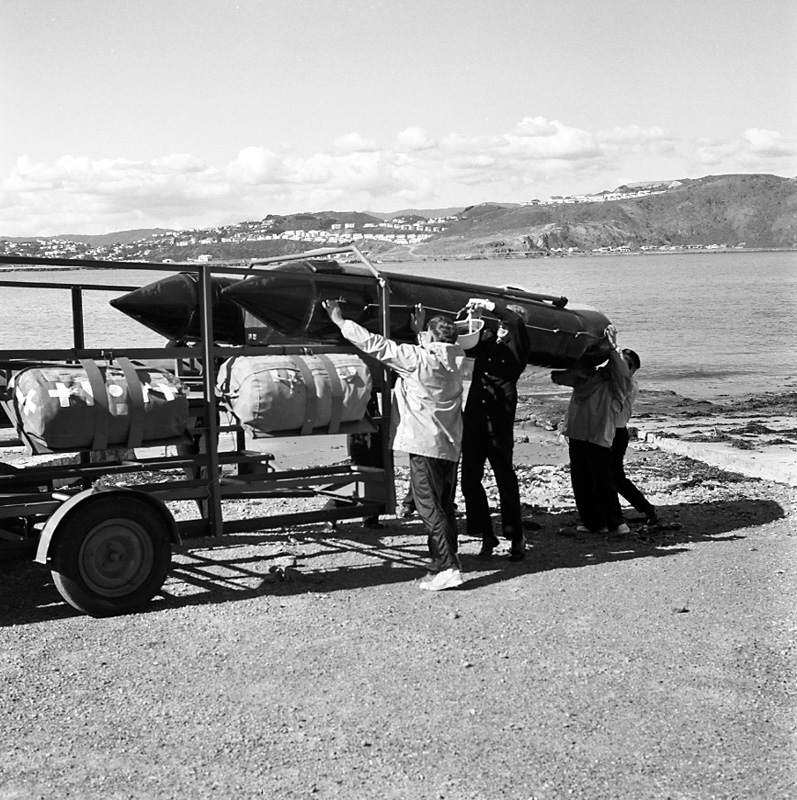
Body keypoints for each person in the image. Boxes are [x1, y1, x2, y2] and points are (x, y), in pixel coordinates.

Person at [323, 299, 467, 591]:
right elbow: (431, 351)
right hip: (450, 445)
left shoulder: (417, 360)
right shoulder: (456, 361)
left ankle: (448, 567)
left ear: (432, 337)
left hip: (424, 444)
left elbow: (377, 345)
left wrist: (340, 321)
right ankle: (443, 563)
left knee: (429, 508)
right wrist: (420, 332)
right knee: (444, 506)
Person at [459, 298, 531, 561]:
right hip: (475, 422)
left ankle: (516, 537)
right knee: (469, 480)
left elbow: (514, 321)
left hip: (498, 426)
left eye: (505, 323)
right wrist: (472, 314)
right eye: (500, 323)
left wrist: (490, 306)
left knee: (505, 479)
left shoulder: (520, 348)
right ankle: (485, 533)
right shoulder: (489, 339)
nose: (502, 326)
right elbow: (465, 338)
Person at [550, 325, 633, 534]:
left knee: (604, 482)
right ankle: (593, 523)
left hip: (598, 437)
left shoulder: (619, 385)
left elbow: (623, 372)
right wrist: (579, 363)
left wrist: (613, 349)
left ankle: (616, 522)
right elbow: (556, 377)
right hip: (577, 435)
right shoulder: (588, 377)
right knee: (581, 483)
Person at [611, 350, 659, 526]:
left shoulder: (628, 385)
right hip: (613, 432)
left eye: (621, 363)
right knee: (609, 476)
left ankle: (646, 508)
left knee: (616, 478)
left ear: (630, 369)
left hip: (616, 433)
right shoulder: (625, 382)